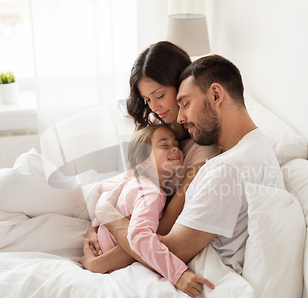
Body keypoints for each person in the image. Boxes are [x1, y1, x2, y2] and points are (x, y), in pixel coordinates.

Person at [94, 55, 285, 277]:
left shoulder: (226, 169)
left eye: (185, 104)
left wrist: (108, 218)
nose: (181, 117)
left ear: (216, 95)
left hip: (205, 278)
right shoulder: (256, 145)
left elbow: (170, 250)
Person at [81, 42, 220, 275]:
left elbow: (161, 229)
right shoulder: (159, 126)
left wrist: (100, 261)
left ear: (182, 84)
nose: (154, 107)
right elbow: (130, 177)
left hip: (134, 227)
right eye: (147, 100)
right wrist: (93, 227)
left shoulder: (201, 150)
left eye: (159, 95)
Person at [81, 123, 214, 297]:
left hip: (104, 255)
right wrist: (179, 274)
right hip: (117, 265)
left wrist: (93, 229)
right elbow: (140, 236)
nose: (175, 148)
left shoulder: (131, 184)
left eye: (176, 144)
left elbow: (105, 190)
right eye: (164, 145)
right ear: (143, 162)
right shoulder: (151, 193)